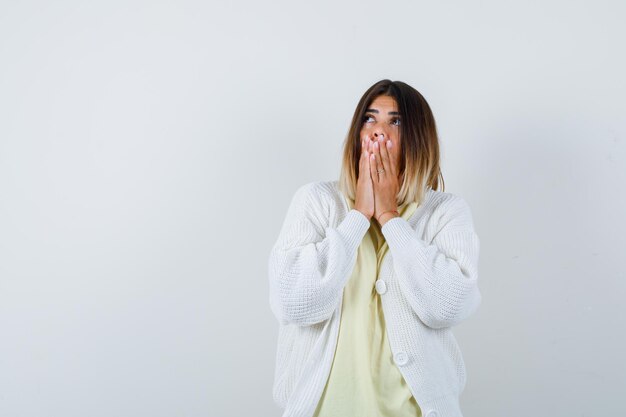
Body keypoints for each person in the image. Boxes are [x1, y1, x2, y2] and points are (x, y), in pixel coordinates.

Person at [268, 79, 481, 417]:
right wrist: (357, 218)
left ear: (417, 138)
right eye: (370, 118)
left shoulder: (445, 212)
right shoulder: (316, 201)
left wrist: (390, 218)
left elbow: (447, 306)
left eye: (395, 121)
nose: (378, 132)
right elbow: (292, 302)